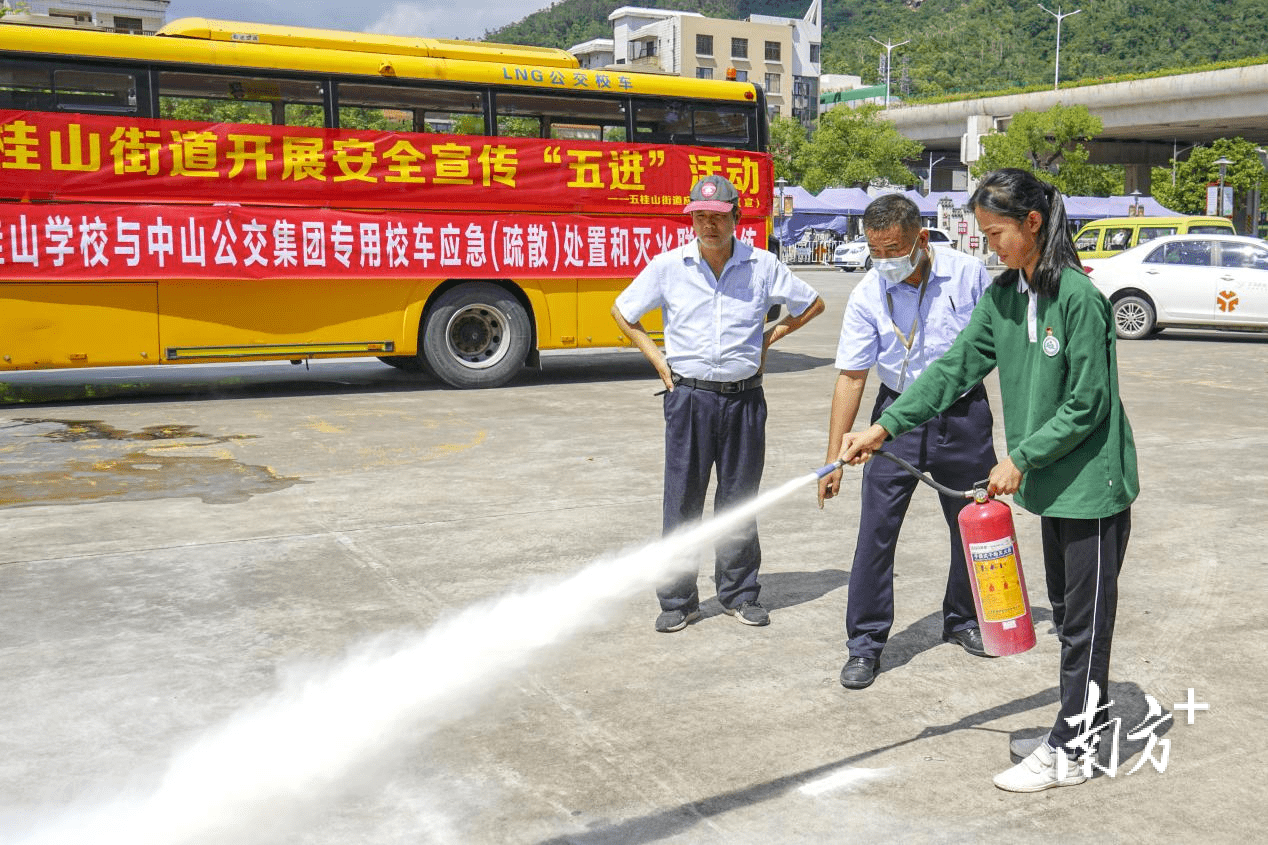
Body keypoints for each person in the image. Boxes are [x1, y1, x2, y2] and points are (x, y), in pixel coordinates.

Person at [839, 168, 1138, 792]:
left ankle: (1074, 749)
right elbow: (952, 370)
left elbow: (1088, 402)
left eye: (996, 232)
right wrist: (885, 428)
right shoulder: (1004, 297)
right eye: (981, 233)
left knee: (1084, 621)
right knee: (1066, 608)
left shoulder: (1078, 299)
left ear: (1033, 224)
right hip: (1053, 486)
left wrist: (1020, 458)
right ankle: (1077, 726)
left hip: (1093, 486)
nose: (988, 245)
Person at [613, 174, 825, 633]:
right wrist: (656, 357)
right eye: (701, 217)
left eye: (718, 216)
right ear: (691, 219)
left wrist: (772, 337)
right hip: (688, 399)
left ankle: (739, 593)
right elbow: (623, 312)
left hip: (744, 400)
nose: (709, 225)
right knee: (682, 501)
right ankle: (677, 600)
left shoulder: (763, 265)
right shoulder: (669, 266)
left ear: (737, 218)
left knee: (739, 500)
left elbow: (812, 304)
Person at [818, 194, 998, 692]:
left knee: (970, 523)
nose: (884, 262)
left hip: (964, 416)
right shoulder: (867, 294)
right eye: (875, 252)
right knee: (875, 531)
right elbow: (852, 376)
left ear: (921, 239)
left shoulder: (967, 275)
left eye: (893, 250)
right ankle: (865, 644)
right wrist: (835, 456)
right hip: (893, 420)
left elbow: (994, 347)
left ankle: (962, 619)